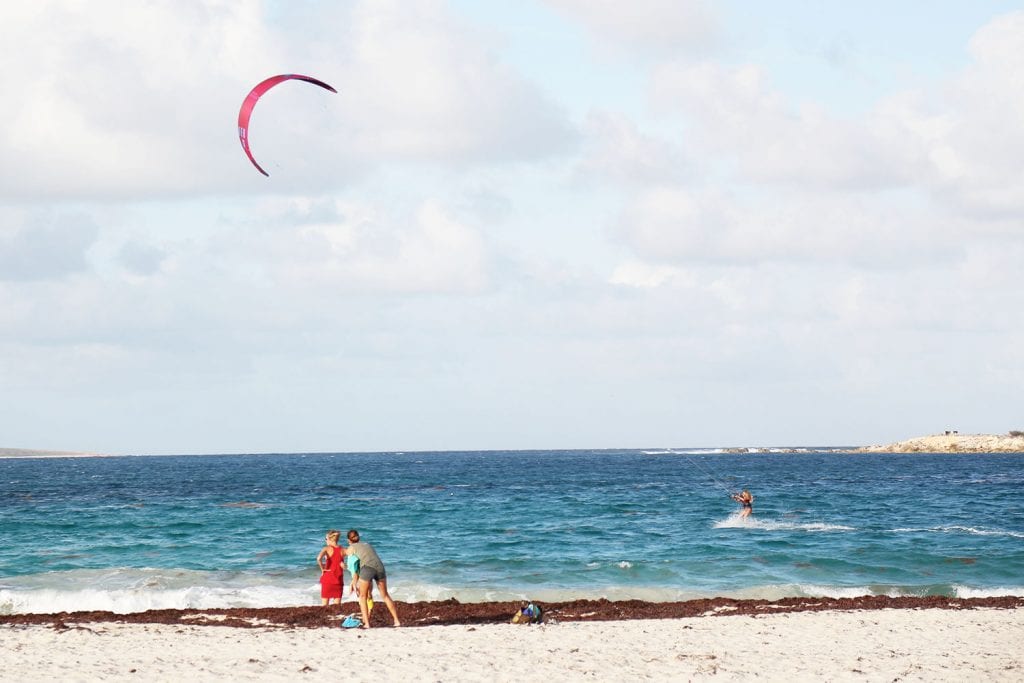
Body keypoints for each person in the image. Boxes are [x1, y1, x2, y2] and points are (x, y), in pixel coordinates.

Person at [343, 529, 400, 628]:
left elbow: (351, 564)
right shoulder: (367, 544)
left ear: (349, 540)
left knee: (362, 596)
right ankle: (397, 621)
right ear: (358, 537)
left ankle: (367, 624)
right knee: (385, 595)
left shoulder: (351, 547)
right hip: (380, 567)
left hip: (367, 568)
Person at [316, 529, 344, 606]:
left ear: (329, 539)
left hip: (327, 579)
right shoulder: (342, 549)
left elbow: (318, 559)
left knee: (325, 606)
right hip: (338, 580)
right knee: (337, 607)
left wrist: (322, 569)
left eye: (326, 539)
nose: (325, 541)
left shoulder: (326, 549)